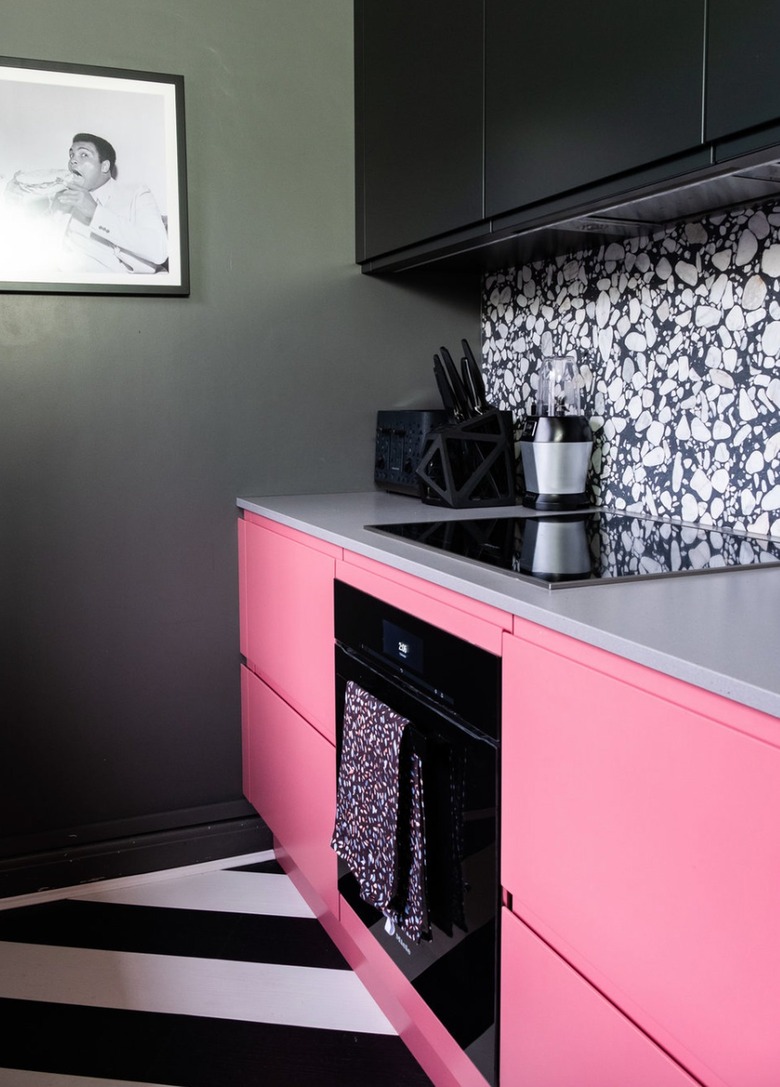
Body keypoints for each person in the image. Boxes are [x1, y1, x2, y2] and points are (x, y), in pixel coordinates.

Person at [53, 133, 169, 273]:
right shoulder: (61, 198)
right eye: (71, 155)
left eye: (83, 155)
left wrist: (95, 213)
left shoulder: (136, 194)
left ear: (104, 166)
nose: (73, 161)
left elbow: (158, 250)